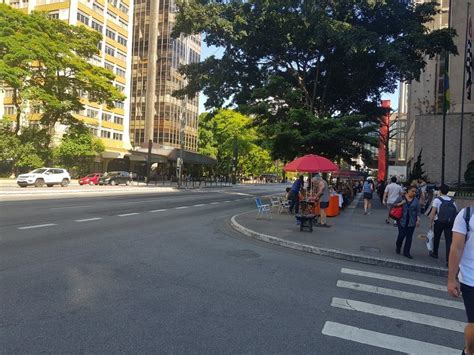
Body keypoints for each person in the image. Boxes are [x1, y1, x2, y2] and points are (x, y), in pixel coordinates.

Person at [448, 205, 474, 355]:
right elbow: (456, 247)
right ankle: (469, 351)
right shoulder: (466, 215)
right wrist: (451, 279)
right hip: (471, 278)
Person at [428, 184, 457, 264]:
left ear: (440, 191)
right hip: (449, 223)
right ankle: (448, 259)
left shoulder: (437, 200)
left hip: (439, 221)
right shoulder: (452, 201)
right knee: (449, 241)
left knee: (437, 237)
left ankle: (435, 253)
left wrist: (430, 223)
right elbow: (455, 212)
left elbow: (433, 213)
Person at [393, 185, 420, 259]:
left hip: (411, 222)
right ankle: (398, 246)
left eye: (415, 192)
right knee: (401, 235)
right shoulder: (401, 197)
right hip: (402, 220)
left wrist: (418, 220)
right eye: (412, 191)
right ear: (408, 191)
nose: (414, 193)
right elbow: (394, 205)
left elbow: (418, 211)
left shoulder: (416, 200)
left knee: (409, 237)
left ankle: (406, 252)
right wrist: (401, 203)